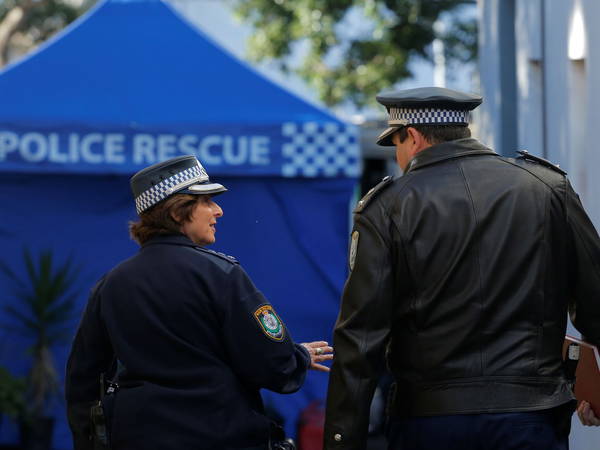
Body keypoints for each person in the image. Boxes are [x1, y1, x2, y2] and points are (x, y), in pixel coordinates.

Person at [323, 87, 600, 450]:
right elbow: (595, 304)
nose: (399, 159)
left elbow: (359, 340)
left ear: (415, 137)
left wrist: (342, 441)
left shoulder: (386, 208)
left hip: (430, 422)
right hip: (532, 416)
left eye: (397, 145)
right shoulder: (548, 188)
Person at [65, 155, 333, 450]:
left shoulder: (111, 283)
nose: (218, 211)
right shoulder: (221, 273)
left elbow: (84, 378)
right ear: (178, 212)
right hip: (218, 433)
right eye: (206, 201)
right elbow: (272, 365)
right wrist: (297, 358)